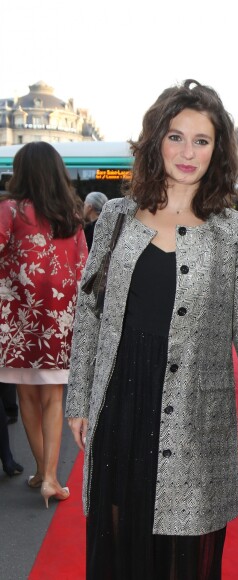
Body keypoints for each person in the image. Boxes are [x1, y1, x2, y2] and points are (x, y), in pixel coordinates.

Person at [66, 80, 238, 580]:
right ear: (156, 139)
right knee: (118, 542)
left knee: (185, 555)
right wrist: (78, 399)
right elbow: (89, 314)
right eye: (176, 136)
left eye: (202, 141)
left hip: (197, 415)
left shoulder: (231, 230)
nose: (187, 151)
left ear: (217, 149)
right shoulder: (115, 217)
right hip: (121, 405)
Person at [0, 141, 87, 502]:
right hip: (58, 318)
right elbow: (83, 268)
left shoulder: (9, 209)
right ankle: (49, 476)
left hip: (16, 319)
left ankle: (42, 471)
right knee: (53, 397)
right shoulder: (72, 212)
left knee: (27, 397)